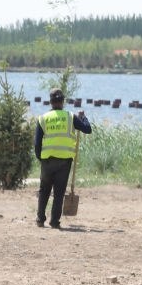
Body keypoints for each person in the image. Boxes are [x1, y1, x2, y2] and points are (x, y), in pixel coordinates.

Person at [34, 88, 92, 229]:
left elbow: (37, 143)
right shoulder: (70, 117)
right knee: (59, 193)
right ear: (62, 101)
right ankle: (54, 222)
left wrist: (41, 158)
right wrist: (83, 117)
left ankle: (40, 219)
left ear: (51, 102)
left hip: (47, 160)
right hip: (64, 161)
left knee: (44, 190)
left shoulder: (43, 118)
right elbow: (87, 129)